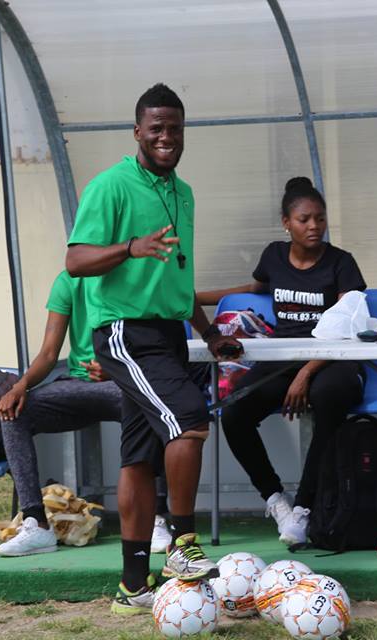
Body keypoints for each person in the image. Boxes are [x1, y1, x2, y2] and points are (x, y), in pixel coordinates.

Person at [64, 83, 241, 615]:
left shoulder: (183, 193)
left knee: (139, 456)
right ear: (138, 131)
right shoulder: (110, 186)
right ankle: (182, 545)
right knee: (189, 421)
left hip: (168, 335)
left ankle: (132, 586)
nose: (167, 137)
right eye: (157, 128)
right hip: (125, 331)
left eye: (175, 128)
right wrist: (130, 248)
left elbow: (178, 279)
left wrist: (208, 333)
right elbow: (75, 260)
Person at [195, 177, 367, 546]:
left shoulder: (342, 263)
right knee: (234, 412)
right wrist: (193, 298)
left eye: (320, 218)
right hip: (283, 358)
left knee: (329, 398)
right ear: (286, 223)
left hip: (334, 359)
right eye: (304, 219)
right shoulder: (274, 255)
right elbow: (255, 289)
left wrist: (305, 373)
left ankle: (304, 508)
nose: (314, 226)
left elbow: (344, 330)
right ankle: (277, 501)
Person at [0, 269, 172, 557]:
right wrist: (20, 386)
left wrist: (117, 369)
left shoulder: (138, 275)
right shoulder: (68, 281)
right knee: (16, 413)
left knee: (152, 406)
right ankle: (36, 524)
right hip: (77, 384)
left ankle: (154, 518)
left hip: (127, 382)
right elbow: (49, 354)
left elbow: (158, 345)